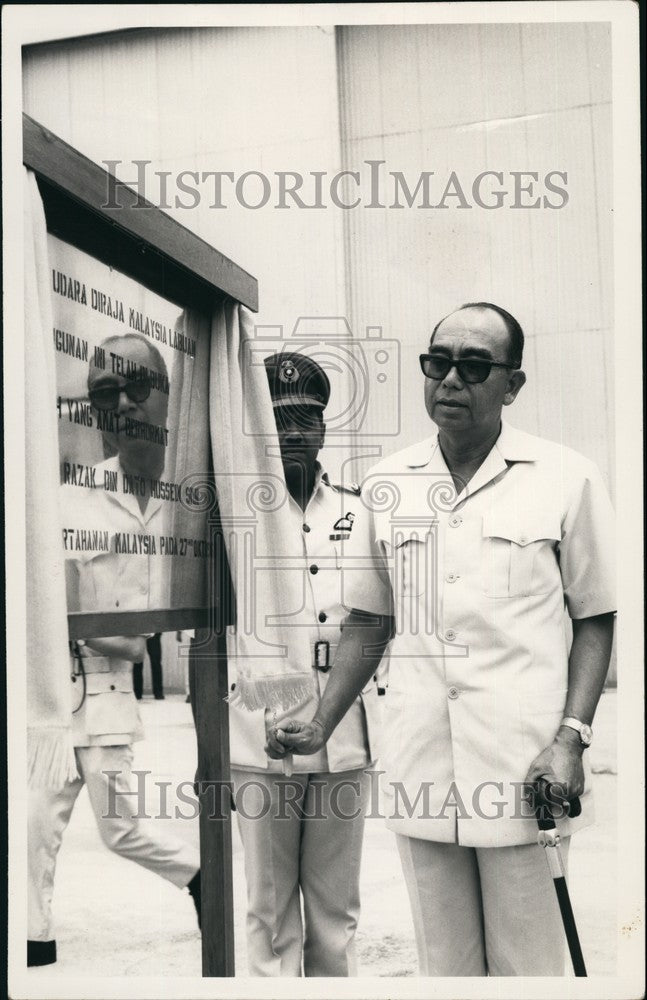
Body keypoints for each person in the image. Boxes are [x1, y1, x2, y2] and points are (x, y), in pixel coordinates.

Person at [267, 303, 616, 977]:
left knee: (529, 970)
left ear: (512, 384)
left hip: (525, 770)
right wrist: (321, 722)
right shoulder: (387, 484)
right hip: (423, 765)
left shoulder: (564, 477)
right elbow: (369, 619)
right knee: (444, 971)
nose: (451, 379)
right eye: (438, 362)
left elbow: (594, 617)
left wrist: (571, 739)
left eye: (474, 366)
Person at [28, 334, 201, 967]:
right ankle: (33, 945)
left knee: (121, 830)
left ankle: (201, 878)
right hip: (52, 698)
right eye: (106, 393)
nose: (124, 404)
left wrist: (71, 620)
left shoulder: (196, 491)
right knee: (33, 828)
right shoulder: (71, 499)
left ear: (169, 395)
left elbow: (125, 637)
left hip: (106, 697)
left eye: (138, 386)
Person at [227, 352, 384, 977]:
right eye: (279, 420)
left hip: (343, 730)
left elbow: (375, 621)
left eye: (306, 419)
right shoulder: (236, 514)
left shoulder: (359, 510)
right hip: (258, 733)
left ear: (323, 428)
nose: (293, 433)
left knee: (335, 910)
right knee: (269, 912)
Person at [133, 633, 164, 700]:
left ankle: (158, 692)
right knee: (137, 661)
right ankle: (137, 692)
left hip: (153, 632)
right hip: (139, 633)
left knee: (156, 662)